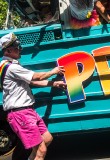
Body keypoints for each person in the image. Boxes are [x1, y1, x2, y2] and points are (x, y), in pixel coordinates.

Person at [0, 32, 67, 160]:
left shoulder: (6, 66)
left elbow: (32, 81)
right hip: (21, 114)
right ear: (8, 50)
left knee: (47, 138)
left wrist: (54, 83)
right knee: (41, 150)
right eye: (17, 47)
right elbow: (37, 76)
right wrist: (53, 71)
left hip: (27, 111)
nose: (20, 49)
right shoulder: (11, 67)